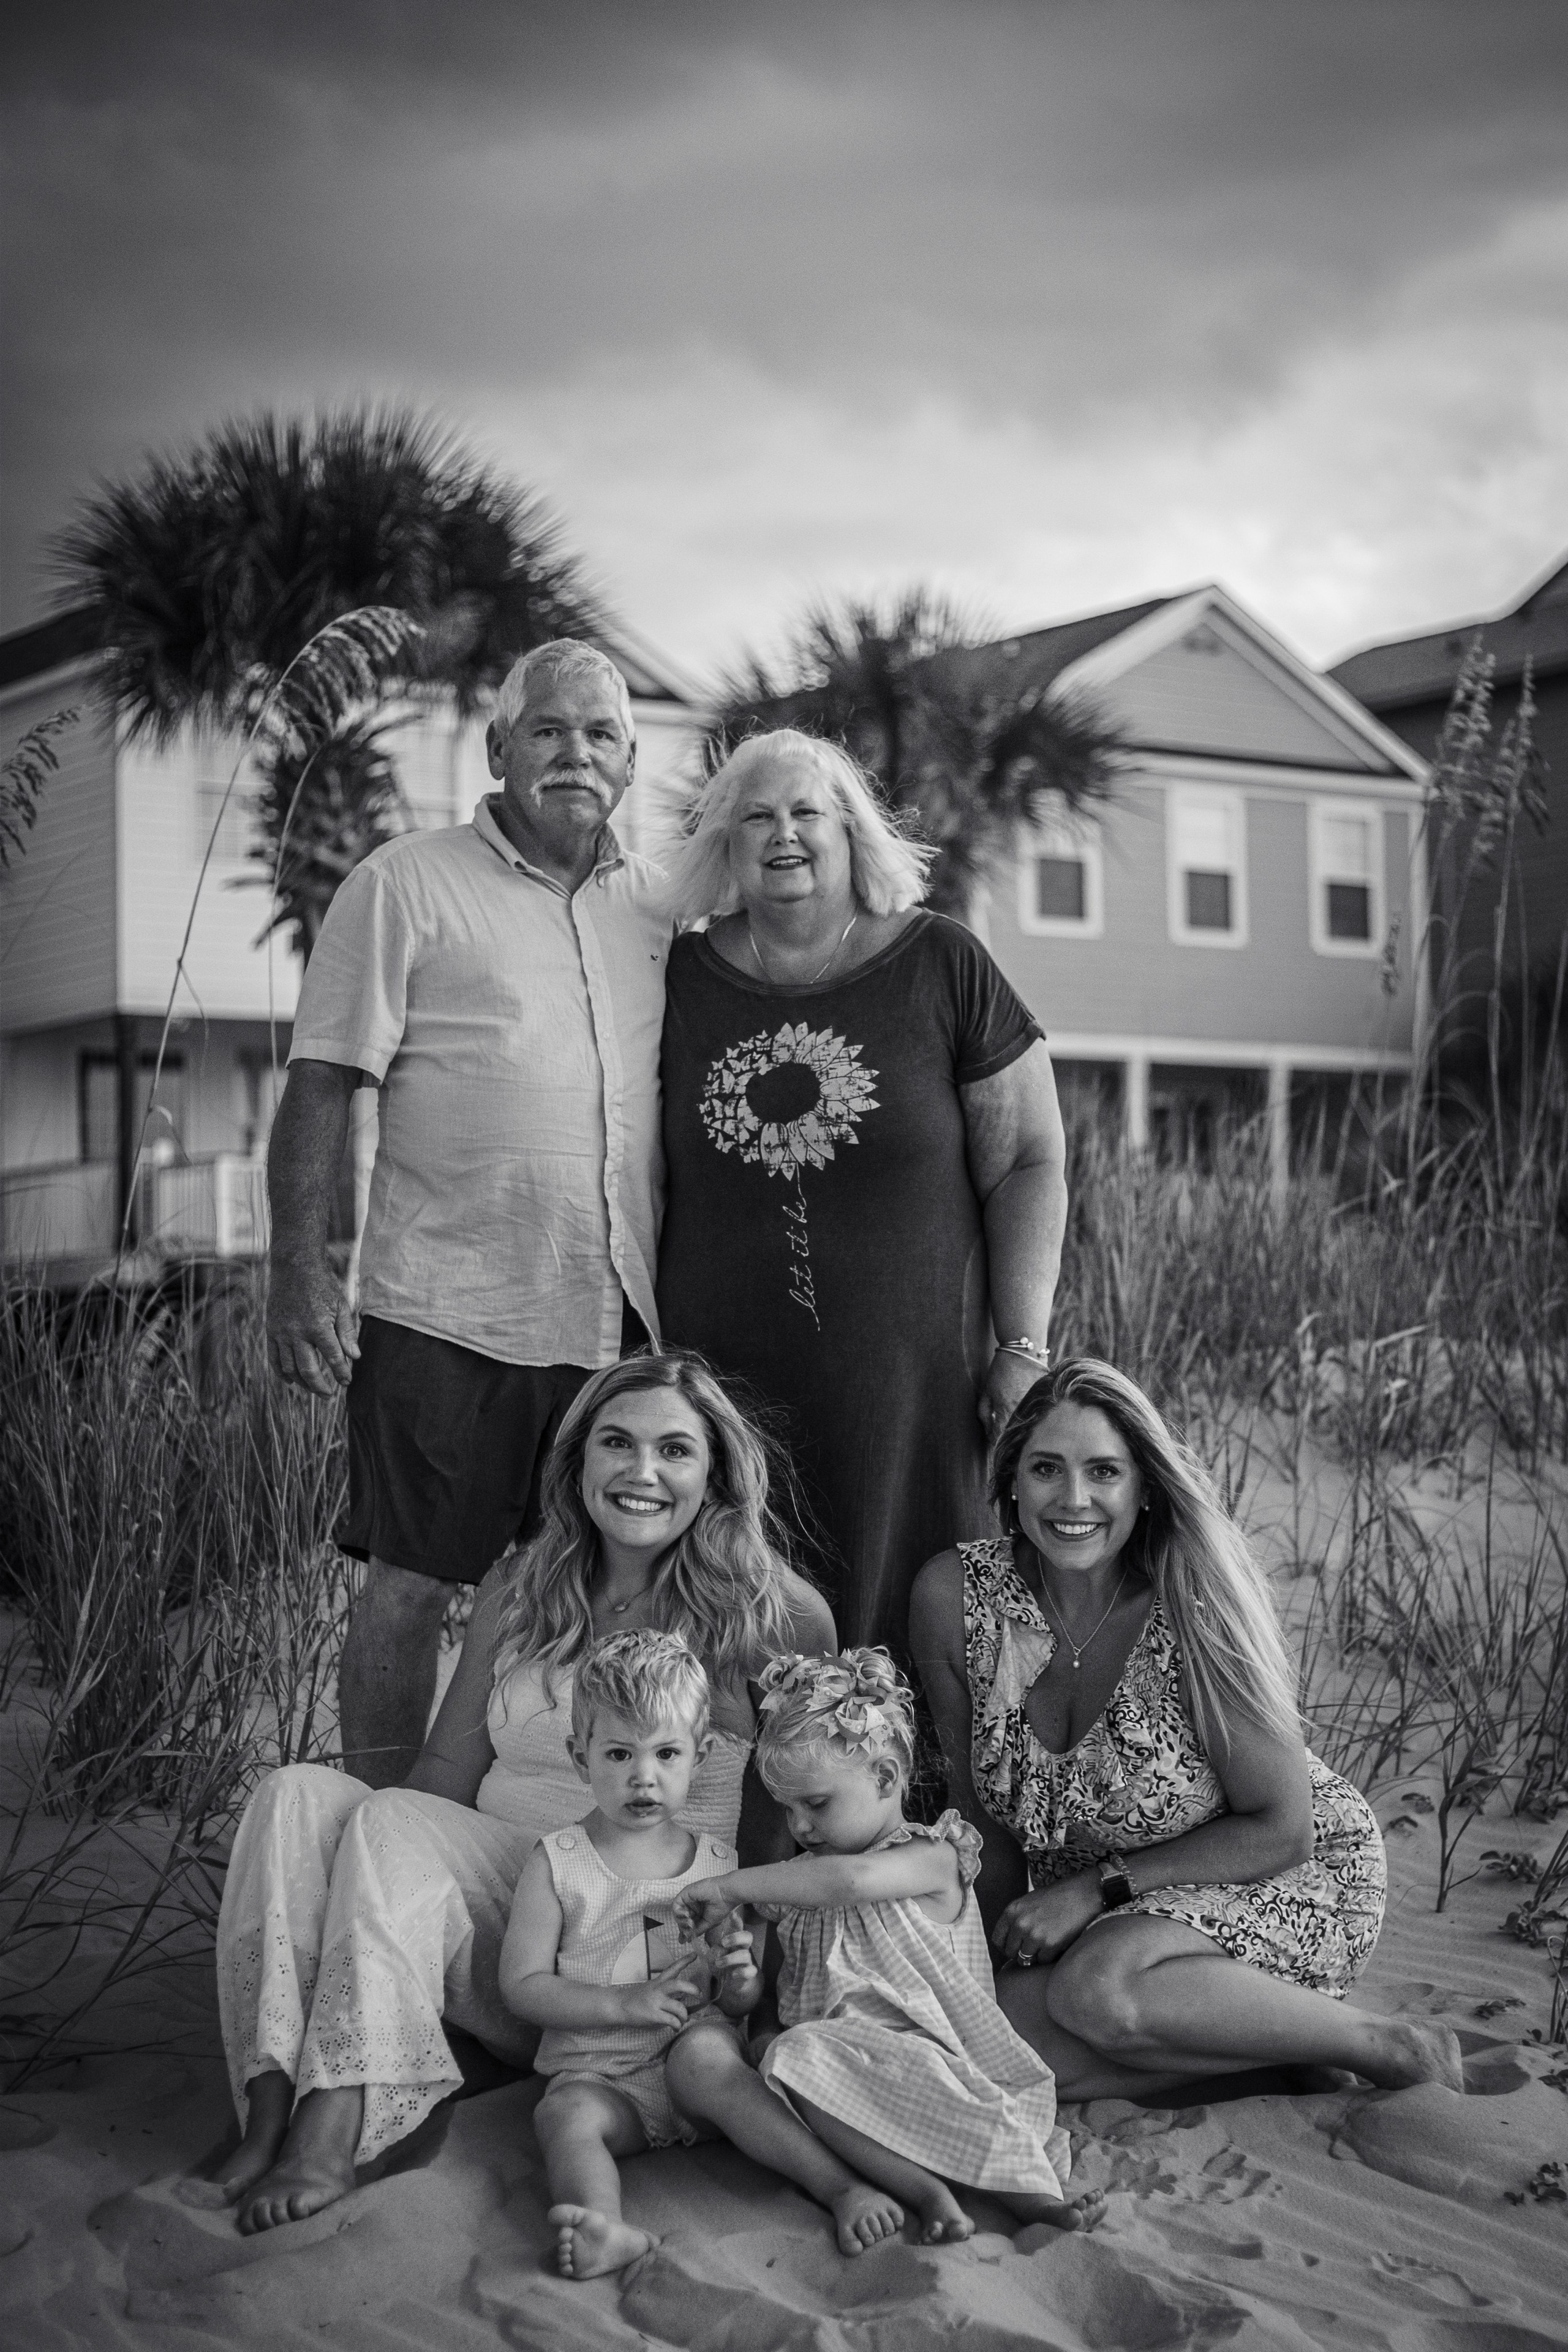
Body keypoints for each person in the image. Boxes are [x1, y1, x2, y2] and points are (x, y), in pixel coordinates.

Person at [206, 1352, 835, 2234]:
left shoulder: (777, 1615)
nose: (641, 1472)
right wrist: (380, 1869)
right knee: (293, 1795)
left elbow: (783, 1837)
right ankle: (270, 2101)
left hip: (631, 1951)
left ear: (716, 1475)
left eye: (674, 1451)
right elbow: (441, 1784)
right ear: (578, 1462)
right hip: (510, 1932)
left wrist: (743, 1990)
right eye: (616, 1443)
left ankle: (335, 2121)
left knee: (387, 1817)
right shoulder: (523, 1586)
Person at [265, 638, 669, 1784]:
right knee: (408, 1587)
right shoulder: (404, 884)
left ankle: (551, 1831)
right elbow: (324, 1082)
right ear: (499, 749)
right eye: (547, 730)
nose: (574, 755)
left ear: (632, 762)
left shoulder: (661, 905)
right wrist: (299, 1268)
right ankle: (380, 1828)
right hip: (448, 1312)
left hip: (620, 1322)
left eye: (600, 736)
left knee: (608, 1591)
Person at [909, 1357, 1464, 2100]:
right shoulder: (954, 1598)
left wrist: (1089, 1895)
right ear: (1011, 1480)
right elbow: (979, 1818)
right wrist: (992, 1970)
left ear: (1143, 1489)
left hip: (1284, 1872)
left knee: (1095, 1991)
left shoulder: (1193, 1601)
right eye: (1047, 1468)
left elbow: (1282, 1828)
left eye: (1104, 1472)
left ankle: (1396, 2048)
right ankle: (1264, 2053)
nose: (1074, 1499)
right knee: (988, 2043)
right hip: (1124, 1913)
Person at [654, 729, 1068, 1654]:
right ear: (724, 841)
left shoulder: (940, 963)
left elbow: (1031, 1161)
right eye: (755, 816)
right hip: (727, 1389)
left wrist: (1023, 1344)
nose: (782, 835)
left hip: (916, 1395)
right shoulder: (678, 978)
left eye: (807, 812)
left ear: (853, 831)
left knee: (929, 1628)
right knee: (747, 1633)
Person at [671, 1648, 1101, 2246]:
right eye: (787, 1808)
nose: (797, 1827)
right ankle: (926, 2195)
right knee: (791, 2060)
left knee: (811, 2060)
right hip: (847, 2082)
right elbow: (774, 1995)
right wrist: (761, 2020)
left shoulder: (931, 1857)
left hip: (941, 2068)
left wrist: (729, 1885)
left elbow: (852, 1882)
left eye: (815, 1803)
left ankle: (1031, 2197)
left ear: (884, 1777)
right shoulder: (798, 1889)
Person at [500, 1631, 756, 2280]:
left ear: (699, 1756)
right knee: (562, 2115)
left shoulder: (718, 1867)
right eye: (618, 1753)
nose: (643, 1777)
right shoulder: (557, 1864)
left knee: (725, 2066)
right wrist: (621, 2003)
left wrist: (740, 1979)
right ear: (579, 1757)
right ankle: (602, 2224)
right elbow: (523, 1986)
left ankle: (832, 2183)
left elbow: (740, 2001)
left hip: (697, 2067)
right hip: (603, 2081)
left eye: (666, 1753)